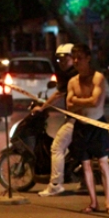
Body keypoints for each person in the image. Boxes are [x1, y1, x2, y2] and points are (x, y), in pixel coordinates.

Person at [66, 44, 109, 215]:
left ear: (88, 58)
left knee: (103, 163)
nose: (76, 61)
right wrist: (82, 101)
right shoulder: (73, 81)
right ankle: (93, 202)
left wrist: (77, 100)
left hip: (97, 125)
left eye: (79, 58)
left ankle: (108, 203)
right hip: (81, 127)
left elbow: (95, 102)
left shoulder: (98, 78)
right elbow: (68, 105)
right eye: (74, 58)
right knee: (85, 165)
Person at [36, 43, 78, 197]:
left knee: (57, 148)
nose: (62, 62)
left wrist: (43, 107)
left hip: (76, 119)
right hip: (81, 117)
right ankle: (85, 181)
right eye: (59, 60)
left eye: (65, 59)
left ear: (73, 58)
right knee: (78, 150)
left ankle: (55, 184)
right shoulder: (75, 73)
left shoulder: (72, 75)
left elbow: (59, 94)